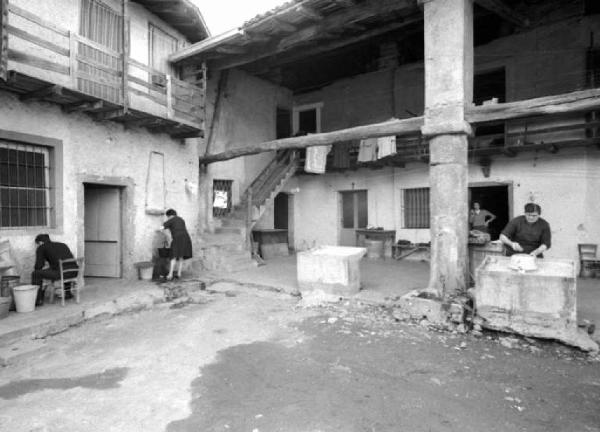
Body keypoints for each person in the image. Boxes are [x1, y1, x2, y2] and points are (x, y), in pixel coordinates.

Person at [31, 234, 77, 304]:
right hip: (74, 271)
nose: (37, 246)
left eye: (37, 244)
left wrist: (40, 269)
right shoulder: (63, 245)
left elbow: (38, 266)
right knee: (64, 268)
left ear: (40, 242)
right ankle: (68, 293)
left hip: (61, 273)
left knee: (35, 274)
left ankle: (38, 300)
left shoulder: (41, 248)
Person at [161, 209, 193, 280]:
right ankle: (179, 273)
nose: (167, 218)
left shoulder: (171, 219)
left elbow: (162, 227)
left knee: (173, 255)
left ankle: (170, 274)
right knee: (181, 255)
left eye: (167, 217)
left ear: (169, 216)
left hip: (177, 238)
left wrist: (160, 230)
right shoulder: (181, 219)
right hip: (186, 238)